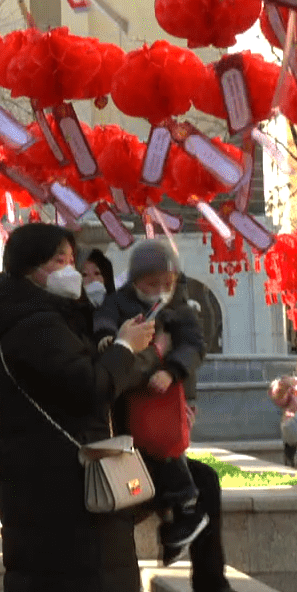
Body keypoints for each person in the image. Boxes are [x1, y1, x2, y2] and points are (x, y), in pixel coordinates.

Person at [0, 223, 161, 592]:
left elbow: (72, 382)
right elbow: (89, 389)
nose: (69, 270)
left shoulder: (34, 317)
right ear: (29, 270)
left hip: (47, 489)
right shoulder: (35, 324)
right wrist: (123, 349)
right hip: (63, 492)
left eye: (70, 259)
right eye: (57, 261)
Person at [92, 240, 208, 563]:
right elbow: (104, 318)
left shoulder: (179, 310)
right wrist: (107, 338)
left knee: (165, 450)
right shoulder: (119, 303)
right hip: (131, 398)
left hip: (162, 397)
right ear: (135, 281)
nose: (159, 291)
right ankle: (175, 522)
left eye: (166, 284)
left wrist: (172, 371)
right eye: (151, 284)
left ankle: (184, 511)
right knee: (146, 456)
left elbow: (194, 347)